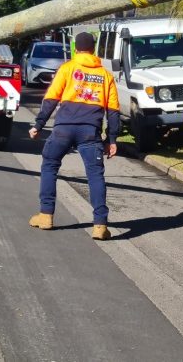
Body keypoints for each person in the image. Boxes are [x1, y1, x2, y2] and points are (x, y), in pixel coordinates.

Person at [28, 31, 121, 240]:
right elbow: (113, 110)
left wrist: (39, 125)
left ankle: (46, 215)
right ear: (93, 49)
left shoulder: (67, 68)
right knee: (95, 175)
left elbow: (51, 98)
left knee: (50, 165)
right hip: (90, 132)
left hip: (63, 129)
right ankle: (100, 226)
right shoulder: (105, 76)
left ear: (76, 49)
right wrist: (112, 139)